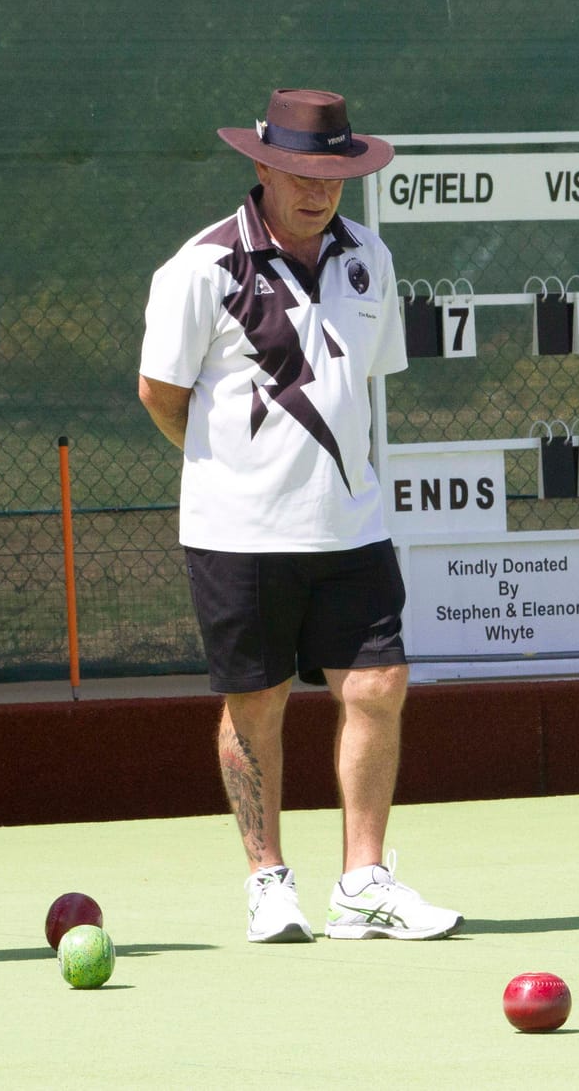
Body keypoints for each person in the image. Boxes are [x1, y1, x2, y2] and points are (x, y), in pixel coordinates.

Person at [138, 87, 461, 944]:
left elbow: (360, 382)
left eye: (334, 173)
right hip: (235, 533)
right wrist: (232, 474)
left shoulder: (370, 259)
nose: (318, 189)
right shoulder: (201, 268)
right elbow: (160, 395)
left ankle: (363, 883)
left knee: (379, 685)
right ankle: (267, 880)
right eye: (299, 171)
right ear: (262, 166)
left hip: (352, 525)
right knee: (257, 702)